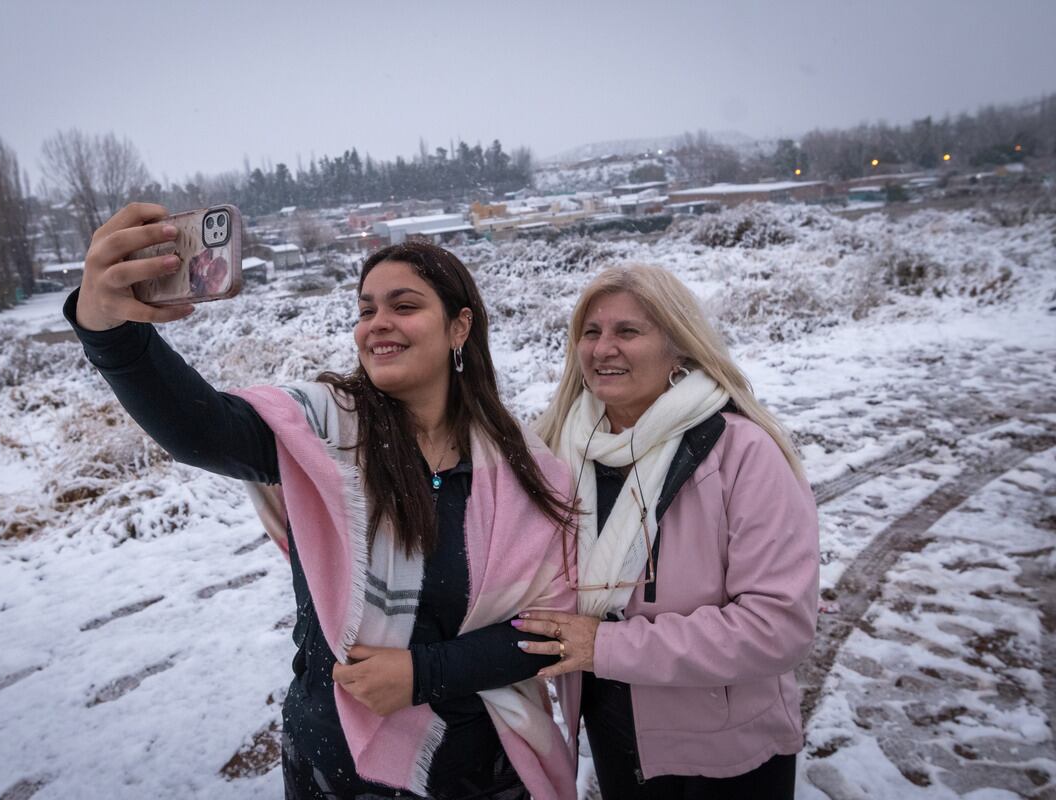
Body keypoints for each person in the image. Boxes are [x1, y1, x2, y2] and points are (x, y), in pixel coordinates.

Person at [66, 204, 579, 799]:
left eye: (404, 306)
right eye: (366, 310)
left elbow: (551, 630)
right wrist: (111, 333)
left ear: (460, 327)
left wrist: (424, 675)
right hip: (335, 768)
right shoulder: (326, 435)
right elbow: (198, 429)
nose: (376, 324)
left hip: (478, 770)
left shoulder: (522, 469)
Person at [515, 265, 819, 799]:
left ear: (677, 346)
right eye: (591, 332)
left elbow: (778, 625)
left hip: (724, 751)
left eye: (627, 332)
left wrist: (604, 646)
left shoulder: (740, 452)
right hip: (611, 733)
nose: (603, 348)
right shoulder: (559, 452)